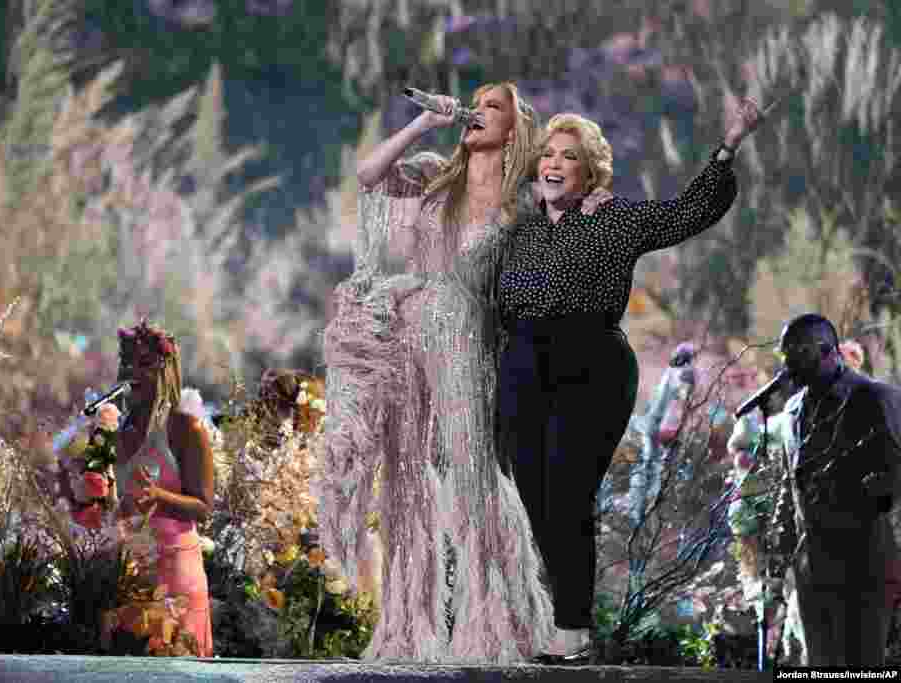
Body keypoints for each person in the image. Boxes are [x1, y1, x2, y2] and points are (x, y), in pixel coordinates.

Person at [317, 82, 612, 663]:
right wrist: (424, 123)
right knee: (407, 478)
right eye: (476, 103)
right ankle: (408, 624)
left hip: (467, 338)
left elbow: (571, 208)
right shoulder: (436, 176)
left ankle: (494, 621)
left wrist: (594, 202)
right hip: (412, 330)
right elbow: (369, 175)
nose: (478, 111)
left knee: (473, 471)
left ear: (514, 128)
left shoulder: (523, 201)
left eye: (493, 105)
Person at [496, 94, 769, 660]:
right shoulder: (518, 231)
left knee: (567, 496)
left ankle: (569, 631)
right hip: (523, 364)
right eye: (547, 153)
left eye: (568, 157)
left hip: (589, 363)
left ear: (588, 171)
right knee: (533, 501)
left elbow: (686, 212)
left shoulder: (614, 218)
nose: (553, 163)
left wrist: (730, 142)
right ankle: (545, 617)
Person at [769, 313, 901, 666]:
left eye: (798, 352)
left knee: (861, 664)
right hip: (812, 566)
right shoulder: (793, 409)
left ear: (828, 351)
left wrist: (873, 487)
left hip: (864, 561)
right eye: (784, 354)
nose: (788, 363)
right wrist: (780, 545)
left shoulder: (875, 397)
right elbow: (788, 482)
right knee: (820, 664)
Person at [113, 319, 215, 657]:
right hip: (133, 574)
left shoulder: (185, 428)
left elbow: (203, 505)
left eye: (145, 364)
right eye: (127, 362)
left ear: (166, 369)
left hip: (177, 576)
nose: (133, 372)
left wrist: (159, 497)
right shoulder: (118, 429)